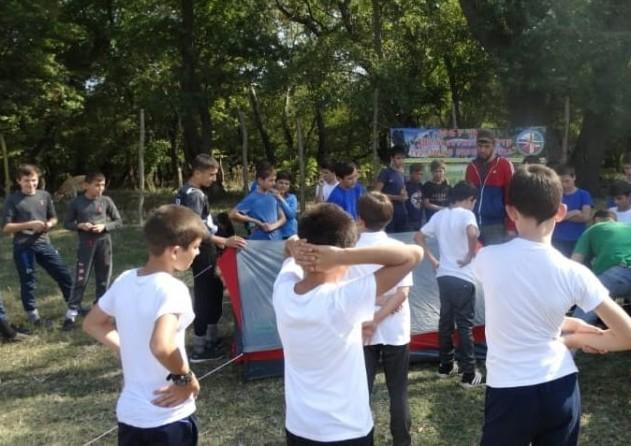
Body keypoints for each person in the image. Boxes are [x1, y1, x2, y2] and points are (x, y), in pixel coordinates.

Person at [472, 165, 631, 446]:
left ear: (511, 212)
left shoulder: (487, 258)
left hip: (509, 390)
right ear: (560, 211)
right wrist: (574, 338)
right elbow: (626, 335)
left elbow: (519, 307)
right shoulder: (575, 272)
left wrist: (571, 331)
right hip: (561, 386)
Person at [273, 203, 423, 445]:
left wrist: (297, 247)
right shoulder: (343, 300)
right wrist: (342, 256)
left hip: (299, 428)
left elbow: (290, 245)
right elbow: (414, 254)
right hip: (347, 430)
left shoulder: (282, 288)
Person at [83, 205, 204, 446]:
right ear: (175, 251)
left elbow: (93, 323)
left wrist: (126, 347)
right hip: (168, 417)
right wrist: (186, 378)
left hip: (131, 415)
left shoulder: (125, 280)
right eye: (195, 247)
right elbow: (162, 346)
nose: (198, 253)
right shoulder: (173, 289)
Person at [347, 192, 414, 445]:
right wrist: (385, 305)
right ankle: (402, 441)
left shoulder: (350, 251)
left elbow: (349, 290)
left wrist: (374, 313)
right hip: (395, 328)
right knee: (398, 390)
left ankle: (361, 438)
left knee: (360, 389)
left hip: (362, 327)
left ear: (360, 218)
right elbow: (402, 293)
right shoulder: (399, 248)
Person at [176, 154, 247, 361]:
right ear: (197, 172)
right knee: (206, 295)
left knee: (213, 291)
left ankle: (211, 338)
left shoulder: (185, 191)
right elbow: (196, 229)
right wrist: (224, 241)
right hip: (204, 251)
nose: (214, 179)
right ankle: (200, 348)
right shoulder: (195, 195)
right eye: (211, 174)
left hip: (204, 248)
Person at [415, 181, 482, 388]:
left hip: (443, 275)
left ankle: (446, 365)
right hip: (464, 277)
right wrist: (470, 255)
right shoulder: (467, 215)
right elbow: (472, 233)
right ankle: (469, 373)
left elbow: (418, 236)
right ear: (470, 199)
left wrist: (432, 260)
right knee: (464, 325)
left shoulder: (440, 216)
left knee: (445, 322)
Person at [2, 164, 73, 327]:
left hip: (43, 243)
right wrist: (30, 224)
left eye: (34, 180)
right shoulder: (12, 200)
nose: (31, 184)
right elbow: (6, 227)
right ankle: (34, 317)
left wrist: (49, 224)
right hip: (23, 246)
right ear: (19, 181)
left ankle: (74, 306)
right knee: (29, 282)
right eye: (26, 180)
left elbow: (54, 218)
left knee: (63, 274)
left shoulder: (44, 195)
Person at [62, 172, 123, 330]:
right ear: (86, 185)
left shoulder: (106, 201)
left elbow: (118, 221)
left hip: (104, 244)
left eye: (102, 185)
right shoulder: (77, 203)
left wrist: (105, 226)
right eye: (97, 185)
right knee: (81, 278)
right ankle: (72, 313)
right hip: (86, 245)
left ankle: (100, 310)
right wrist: (80, 226)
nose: (100, 188)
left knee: (103, 278)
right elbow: (67, 223)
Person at [570, 210, 631, 324]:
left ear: (596, 221)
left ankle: (569, 336)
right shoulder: (628, 227)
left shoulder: (593, 229)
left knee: (581, 318)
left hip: (616, 273)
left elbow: (575, 262)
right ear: (615, 221)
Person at [465, 129, 515, 245]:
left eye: (487, 146)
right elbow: (466, 197)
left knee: (496, 257)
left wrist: (511, 226)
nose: (482, 150)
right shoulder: (471, 167)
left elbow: (512, 197)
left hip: (496, 225)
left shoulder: (504, 165)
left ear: (494, 146)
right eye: (480, 146)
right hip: (473, 223)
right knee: (474, 257)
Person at [229, 166, 286, 240]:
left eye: (274, 180)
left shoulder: (273, 195)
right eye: (270, 180)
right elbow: (232, 214)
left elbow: (283, 218)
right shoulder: (252, 198)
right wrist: (257, 222)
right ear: (260, 180)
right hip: (259, 239)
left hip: (277, 238)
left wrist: (272, 226)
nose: (273, 183)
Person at [551, 165, 592, 257]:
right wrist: (575, 212)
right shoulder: (555, 195)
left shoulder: (584, 194)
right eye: (561, 182)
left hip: (578, 239)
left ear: (574, 177)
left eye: (567, 181)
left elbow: (585, 217)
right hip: (556, 238)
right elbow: (553, 217)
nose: (564, 185)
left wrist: (562, 216)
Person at [374, 148, 408, 233]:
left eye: (403, 158)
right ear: (392, 158)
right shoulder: (385, 172)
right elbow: (376, 193)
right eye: (398, 158)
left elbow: (403, 191)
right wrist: (397, 197)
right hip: (388, 213)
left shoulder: (402, 174)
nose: (401, 161)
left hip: (402, 213)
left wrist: (404, 195)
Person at [273, 170, 299, 239]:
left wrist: (281, 199)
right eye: (281, 183)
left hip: (290, 233)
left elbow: (291, 215)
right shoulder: (270, 197)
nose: (283, 186)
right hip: (275, 233)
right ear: (275, 182)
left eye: (286, 184)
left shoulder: (292, 197)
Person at [405, 163, 424, 231]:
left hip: (420, 220)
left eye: (421, 174)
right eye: (417, 174)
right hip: (408, 221)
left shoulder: (421, 186)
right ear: (411, 174)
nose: (419, 176)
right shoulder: (406, 186)